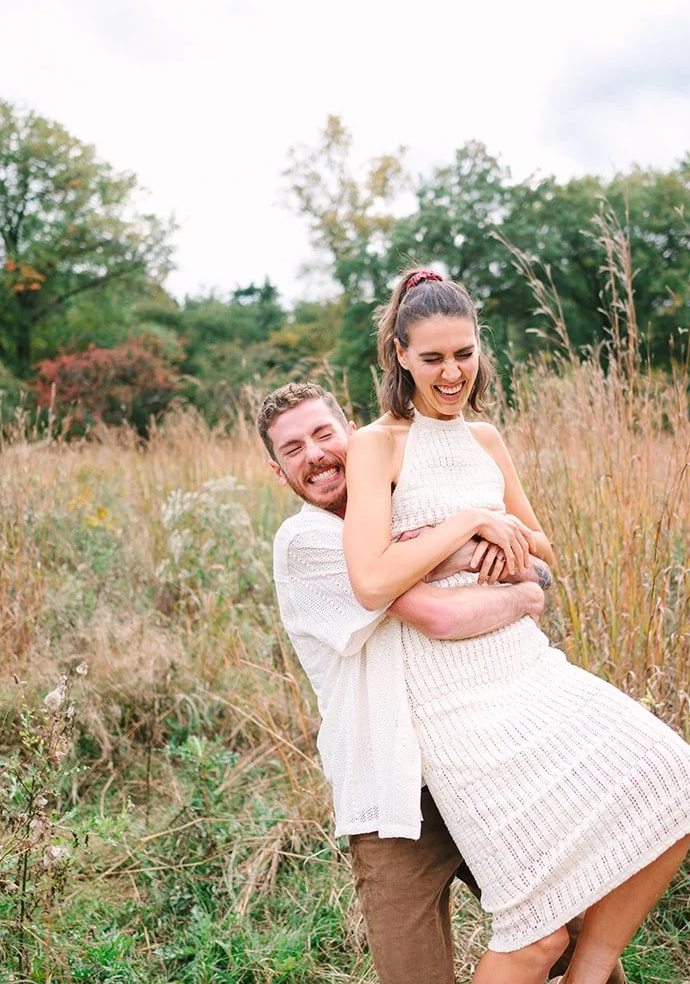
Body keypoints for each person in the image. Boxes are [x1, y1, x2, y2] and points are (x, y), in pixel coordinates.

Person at [341, 269, 690, 984]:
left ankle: (589, 973)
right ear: (399, 354)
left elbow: (543, 547)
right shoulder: (377, 445)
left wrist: (502, 535)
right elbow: (371, 579)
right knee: (535, 929)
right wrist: (468, 522)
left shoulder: (485, 438)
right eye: (432, 358)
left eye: (464, 353)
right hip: (450, 698)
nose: (452, 373)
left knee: (676, 779)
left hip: (525, 665)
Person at [260, 382, 625, 984]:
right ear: (279, 472)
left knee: (568, 943)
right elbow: (440, 613)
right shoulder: (306, 542)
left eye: (324, 435)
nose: (315, 455)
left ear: (353, 435)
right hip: (393, 795)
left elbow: (534, 559)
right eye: (293, 449)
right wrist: (517, 591)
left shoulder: (412, 502)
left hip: (479, 762)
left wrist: (485, 560)